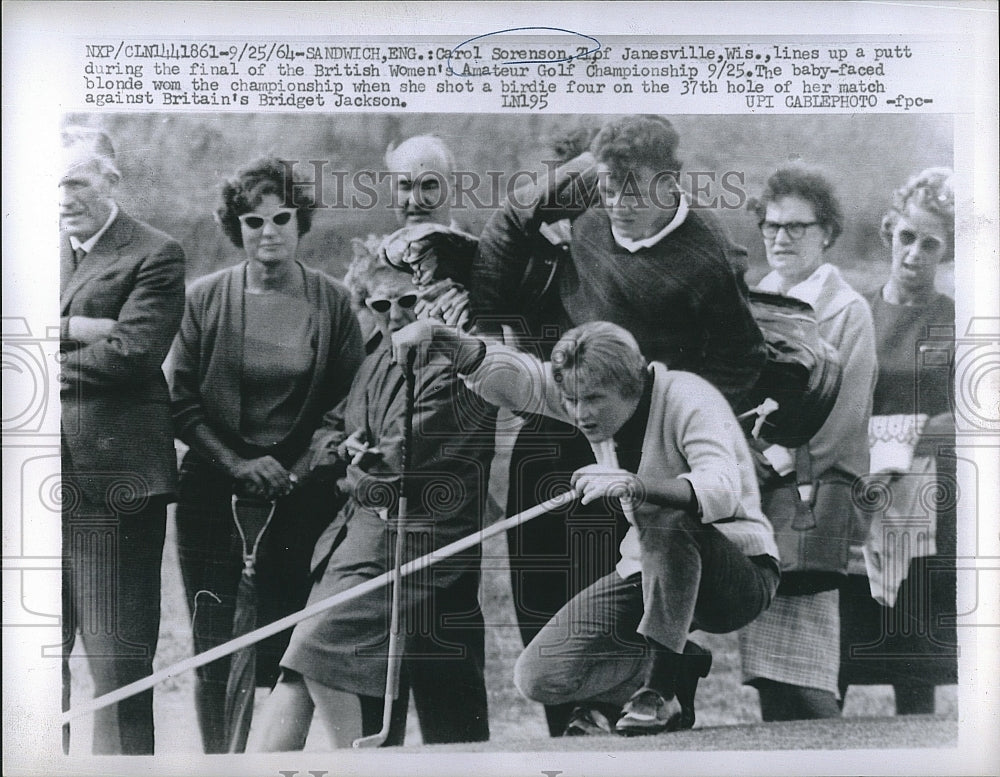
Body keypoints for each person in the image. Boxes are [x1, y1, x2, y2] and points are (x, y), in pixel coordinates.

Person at [469, 115, 767, 735]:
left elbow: (741, 364)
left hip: (651, 448)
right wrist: (567, 184)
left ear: (671, 183)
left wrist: (677, 435)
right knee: (543, 590)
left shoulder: (707, 254)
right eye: (609, 190)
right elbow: (502, 239)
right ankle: (571, 737)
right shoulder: (588, 214)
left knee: (645, 584)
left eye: (636, 191)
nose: (621, 206)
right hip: (567, 421)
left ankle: (661, 691)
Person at [392, 319, 780, 736]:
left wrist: (637, 485)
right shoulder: (590, 400)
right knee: (539, 677)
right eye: (572, 400)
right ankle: (678, 666)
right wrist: (444, 337)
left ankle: (660, 689)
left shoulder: (690, 397)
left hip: (739, 575)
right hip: (651, 570)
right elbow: (521, 380)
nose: (580, 414)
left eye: (593, 399)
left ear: (636, 383)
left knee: (664, 518)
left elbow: (722, 490)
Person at [247, 255, 496, 750]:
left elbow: (402, 467)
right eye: (382, 305)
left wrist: (350, 473)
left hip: (418, 542)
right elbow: (332, 431)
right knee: (296, 671)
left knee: (315, 653)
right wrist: (346, 452)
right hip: (356, 541)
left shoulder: (454, 363)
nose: (396, 315)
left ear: (434, 301)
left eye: (409, 301)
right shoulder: (374, 358)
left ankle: (362, 764)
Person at [168, 157, 364, 753]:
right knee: (215, 639)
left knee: (290, 638)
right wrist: (235, 464)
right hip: (212, 484)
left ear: (301, 221)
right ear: (238, 229)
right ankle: (219, 761)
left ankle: (279, 762)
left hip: (302, 491)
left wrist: (302, 467)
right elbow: (180, 401)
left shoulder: (333, 302)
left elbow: (347, 403)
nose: (269, 231)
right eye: (253, 221)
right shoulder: (203, 299)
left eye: (282, 217)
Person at [59, 126, 186, 754]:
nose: (62, 195)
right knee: (31, 657)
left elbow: (131, 354)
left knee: (117, 661)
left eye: (77, 180)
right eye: (53, 182)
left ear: (111, 182)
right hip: (30, 480)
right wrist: (73, 326)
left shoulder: (156, 253)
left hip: (111, 485)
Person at [737, 166, 878, 720]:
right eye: (772, 226)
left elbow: (844, 417)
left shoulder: (847, 311)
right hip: (758, 495)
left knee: (809, 661)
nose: (781, 237)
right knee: (766, 665)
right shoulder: (756, 301)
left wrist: (770, 460)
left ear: (828, 233)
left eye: (797, 227)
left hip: (810, 496)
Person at [839, 168, 958, 713]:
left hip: (931, 503)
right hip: (860, 491)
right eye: (907, 237)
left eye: (930, 244)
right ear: (890, 231)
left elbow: (973, 417)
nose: (914, 254)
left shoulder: (957, 319)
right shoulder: (851, 312)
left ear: (947, 253)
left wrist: (913, 437)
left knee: (917, 656)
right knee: (842, 644)